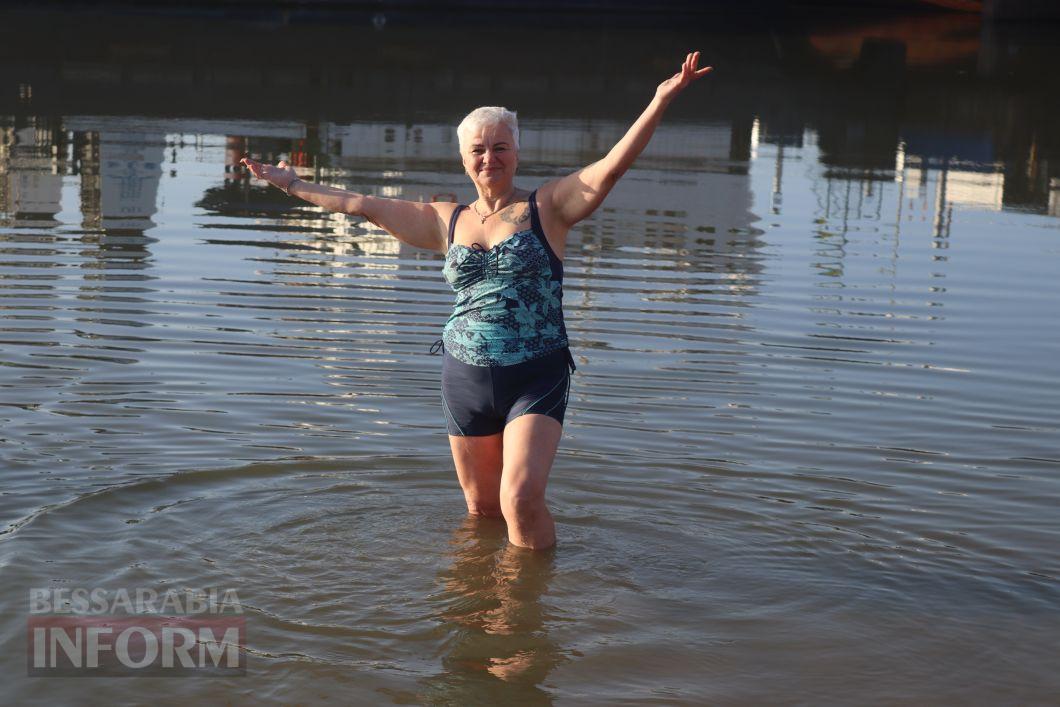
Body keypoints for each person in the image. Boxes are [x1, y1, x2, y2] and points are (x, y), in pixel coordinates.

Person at [241, 51, 713, 550]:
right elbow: (362, 206)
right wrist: (291, 183)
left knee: (521, 499)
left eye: (501, 147)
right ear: (464, 159)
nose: (490, 158)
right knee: (482, 508)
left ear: (517, 153)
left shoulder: (548, 207)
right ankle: (479, 594)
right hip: (463, 376)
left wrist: (659, 102)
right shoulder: (445, 219)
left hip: (536, 374)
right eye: (479, 150)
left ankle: (527, 609)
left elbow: (609, 170)